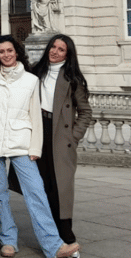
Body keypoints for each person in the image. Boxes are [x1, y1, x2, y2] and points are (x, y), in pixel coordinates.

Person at [0, 35, 80, 258]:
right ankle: (8, 240)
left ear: (17, 52)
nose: (6, 55)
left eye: (10, 50)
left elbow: (36, 117)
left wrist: (35, 148)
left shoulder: (31, 80)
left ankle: (53, 245)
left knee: (36, 192)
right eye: (1, 52)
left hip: (21, 143)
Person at [33, 35, 92, 247]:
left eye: (61, 49)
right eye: (53, 47)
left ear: (68, 54)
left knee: (61, 188)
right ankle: (49, 236)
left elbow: (85, 112)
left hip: (60, 135)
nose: (55, 51)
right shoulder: (35, 71)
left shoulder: (73, 79)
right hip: (38, 132)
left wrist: (73, 137)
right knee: (42, 186)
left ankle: (66, 235)